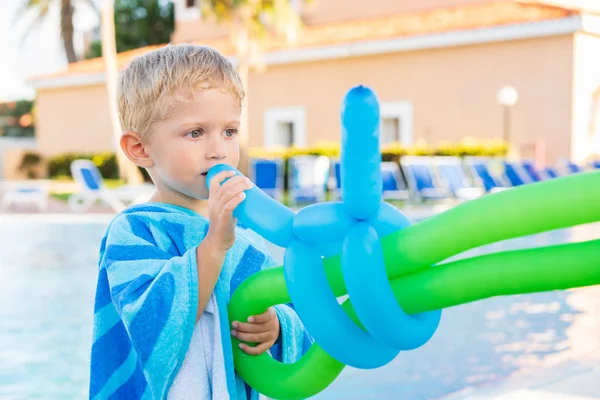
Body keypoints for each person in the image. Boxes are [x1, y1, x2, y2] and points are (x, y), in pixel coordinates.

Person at [88, 43, 311, 400]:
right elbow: (149, 323)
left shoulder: (245, 231)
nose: (218, 150)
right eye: (195, 133)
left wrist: (276, 327)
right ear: (140, 149)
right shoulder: (135, 231)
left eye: (229, 131)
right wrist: (213, 246)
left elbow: (296, 305)